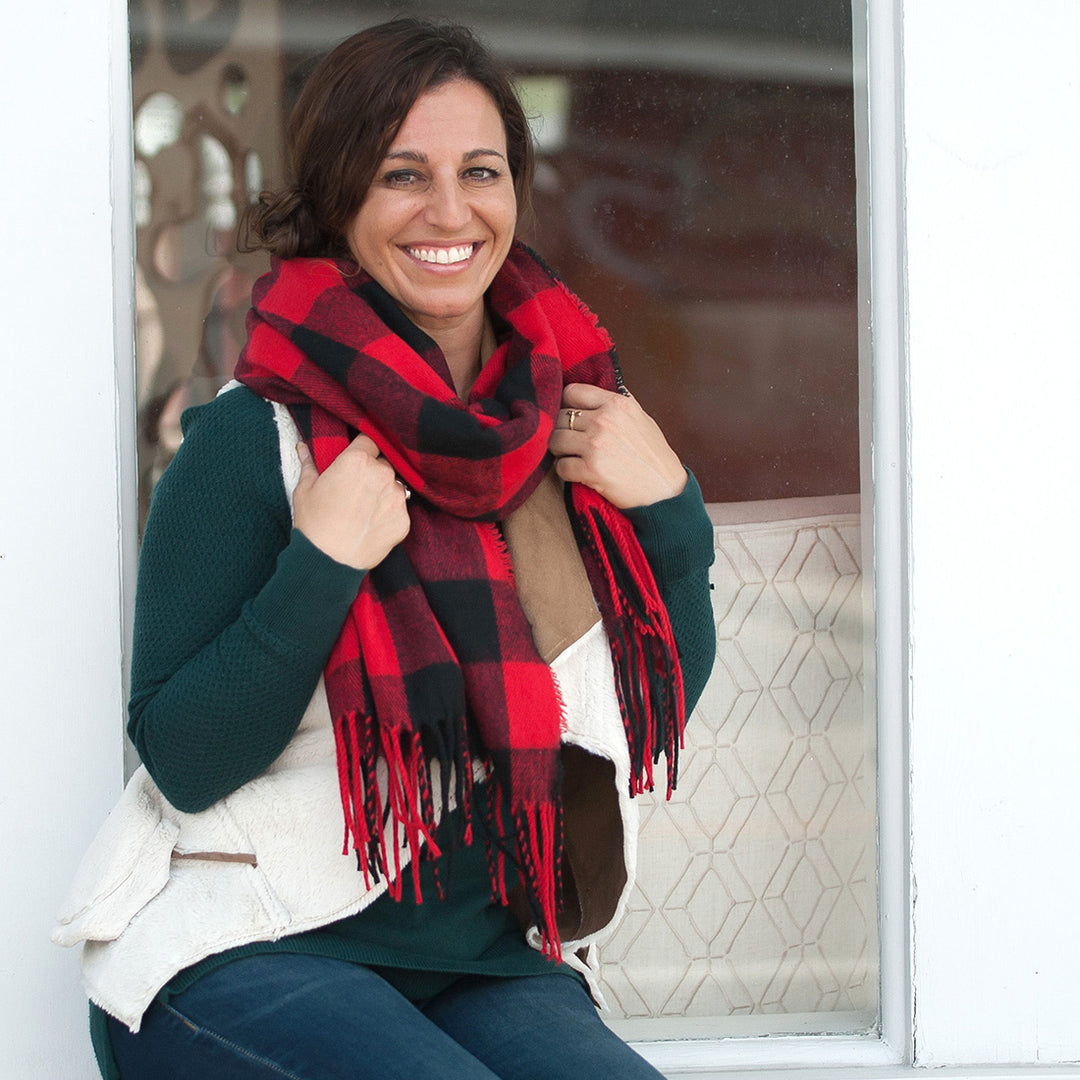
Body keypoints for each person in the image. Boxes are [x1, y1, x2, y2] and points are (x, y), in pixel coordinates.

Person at [54, 18, 716, 1079]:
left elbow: (649, 712)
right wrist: (319, 565)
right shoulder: (252, 439)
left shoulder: (568, 422)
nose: (450, 212)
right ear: (339, 198)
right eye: (402, 175)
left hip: (489, 960)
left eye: (480, 172)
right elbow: (180, 757)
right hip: (245, 945)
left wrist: (674, 511)